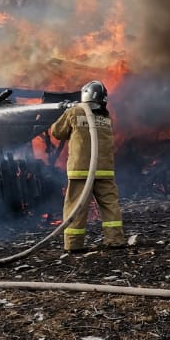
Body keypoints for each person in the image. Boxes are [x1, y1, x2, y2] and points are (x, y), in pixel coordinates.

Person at [50, 80, 126, 253]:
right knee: (110, 205)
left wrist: (66, 112)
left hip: (81, 169)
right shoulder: (106, 118)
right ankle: (115, 240)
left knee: (76, 207)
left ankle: (74, 244)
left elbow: (57, 132)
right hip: (105, 170)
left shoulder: (75, 111)